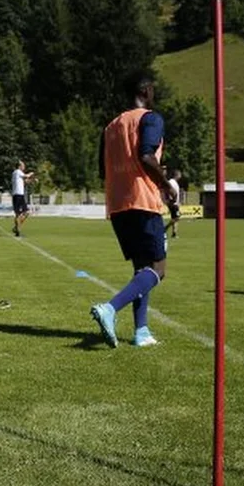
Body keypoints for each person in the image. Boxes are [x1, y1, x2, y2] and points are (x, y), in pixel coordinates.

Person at [90, 75, 177, 349]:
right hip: (142, 200)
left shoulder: (110, 126)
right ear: (146, 91)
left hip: (117, 203)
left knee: (142, 269)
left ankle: (141, 332)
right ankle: (110, 308)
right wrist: (165, 184)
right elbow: (147, 155)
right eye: (153, 90)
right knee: (157, 271)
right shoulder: (150, 118)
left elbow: (102, 170)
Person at [11, 160, 35, 236]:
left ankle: (16, 228)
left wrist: (33, 180)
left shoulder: (17, 173)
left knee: (22, 213)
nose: (24, 167)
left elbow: (26, 181)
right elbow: (27, 176)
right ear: (19, 166)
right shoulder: (18, 171)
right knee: (21, 213)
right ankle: (17, 229)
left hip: (18, 195)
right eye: (23, 165)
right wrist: (31, 173)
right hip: (18, 195)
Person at [163, 167, 181, 241]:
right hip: (173, 203)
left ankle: (174, 233)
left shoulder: (174, 182)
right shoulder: (171, 182)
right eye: (180, 174)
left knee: (175, 217)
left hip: (175, 203)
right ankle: (164, 229)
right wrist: (170, 200)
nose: (180, 176)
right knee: (177, 217)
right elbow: (167, 190)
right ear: (177, 175)